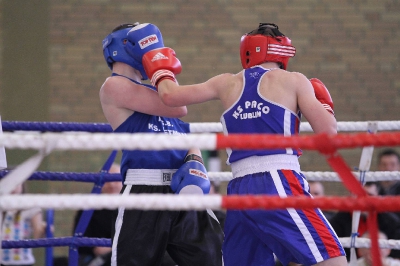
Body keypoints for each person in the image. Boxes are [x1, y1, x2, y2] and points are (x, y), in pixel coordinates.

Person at [136, 22, 347, 265]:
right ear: (282, 52)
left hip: (238, 189)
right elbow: (328, 132)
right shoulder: (294, 80)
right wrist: (325, 106)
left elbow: (170, 96)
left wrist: (157, 64)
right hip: (279, 182)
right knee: (330, 257)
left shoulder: (226, 83)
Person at [99, 23, 223, 266]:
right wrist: (159, 65)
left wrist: (195, 161)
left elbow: (189, 139)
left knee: (214, 258)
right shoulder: (113, 87)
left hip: (182, 188)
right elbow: (178, 106)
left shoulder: (159, 92)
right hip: (145, 190)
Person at [329, 182, 400, 261]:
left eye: (370, 195)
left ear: (378, 198)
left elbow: (397, 255)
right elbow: (334, 256)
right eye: (359, 195)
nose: (364, 200)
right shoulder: (337, 222)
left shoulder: (392, 222)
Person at [72, 163, 122, 266]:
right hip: (95, 259)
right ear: (99, 184)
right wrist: (96, 248)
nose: (111, 185)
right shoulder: (88, 209)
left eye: (115, 180)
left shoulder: (135, 208)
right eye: (107, 181)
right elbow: (79, 241)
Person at [1, 182, 46, 266]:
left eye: (17, 184)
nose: (13, 188)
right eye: (9, 184)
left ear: (22, 185)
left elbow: (38, 235)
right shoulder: (2, 207)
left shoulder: (31, 206)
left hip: (23, 261)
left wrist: (44, 229)